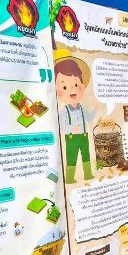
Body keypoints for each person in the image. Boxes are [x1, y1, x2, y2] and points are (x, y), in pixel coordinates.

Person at [54, 49, 99, 183]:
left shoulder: (82, 108)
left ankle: (88, 174)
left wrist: (95, 110)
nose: (72, 89)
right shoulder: (64, 111)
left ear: (82, 86)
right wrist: (71, 129)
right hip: (71, 138)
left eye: (75, 84)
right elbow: (62, 126)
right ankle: (69, 178)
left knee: (86, 155)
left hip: (84, 137)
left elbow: (89, 118)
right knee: (71, 157)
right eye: (65, 87)